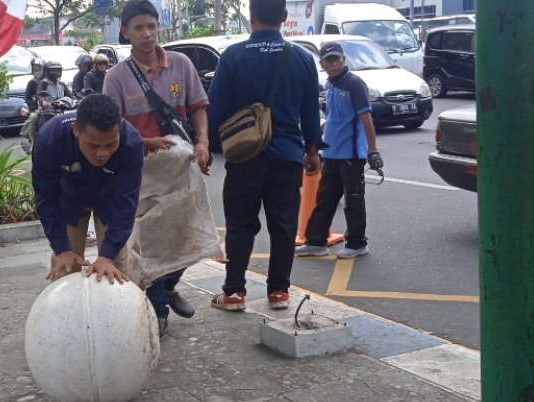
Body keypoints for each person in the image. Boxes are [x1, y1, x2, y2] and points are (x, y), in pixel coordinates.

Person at [103, 0, 213, 337]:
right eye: (138, 28)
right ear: (126, 32)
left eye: (151, 26)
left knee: (185, 235)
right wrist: (144, 142)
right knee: (148, 241)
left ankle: (168, 285)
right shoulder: (116, 77)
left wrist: (204, 143)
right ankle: (158, 309)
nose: (147, 34)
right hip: (139, 171)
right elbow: (113, 125)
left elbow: (198, 108)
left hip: (180, 165)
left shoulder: (180, 64)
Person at [206, 0, 325, 312]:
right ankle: (279, 293)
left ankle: (233, 293)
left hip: (244, 155)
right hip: (287, 155)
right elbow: (310, 111)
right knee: (284, 225)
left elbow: (215, 108)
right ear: (284, 17)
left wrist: (209, 146)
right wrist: (312, 150)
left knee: (240, 224)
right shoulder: (301, 58)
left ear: (250, 16)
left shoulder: (233, 56)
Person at [31, 93, 143, 283]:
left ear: (119, 131)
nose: (102, 153)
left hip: (110, 198)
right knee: (65, 268)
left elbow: (126, 203)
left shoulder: (131, 143)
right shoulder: (50, 140)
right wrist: (61, 249)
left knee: (117, 269)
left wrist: (106, 255)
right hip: (69, 198)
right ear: (76, 130)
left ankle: (128, 310)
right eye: (93, 145)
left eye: (111, 144)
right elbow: (46, 198)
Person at [295, 42, 383, 259]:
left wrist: (373, 150)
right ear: (322, 63)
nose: (333, 63)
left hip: (351, 154)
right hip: (332, 153)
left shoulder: (354, 84)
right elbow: (334, 117)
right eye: (328, 60)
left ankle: (357, 243)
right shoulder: (330, 84)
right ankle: (315, 242)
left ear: (343, 59)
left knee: (353, 199)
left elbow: (366, 119)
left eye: (336, 58)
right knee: (325, 198)